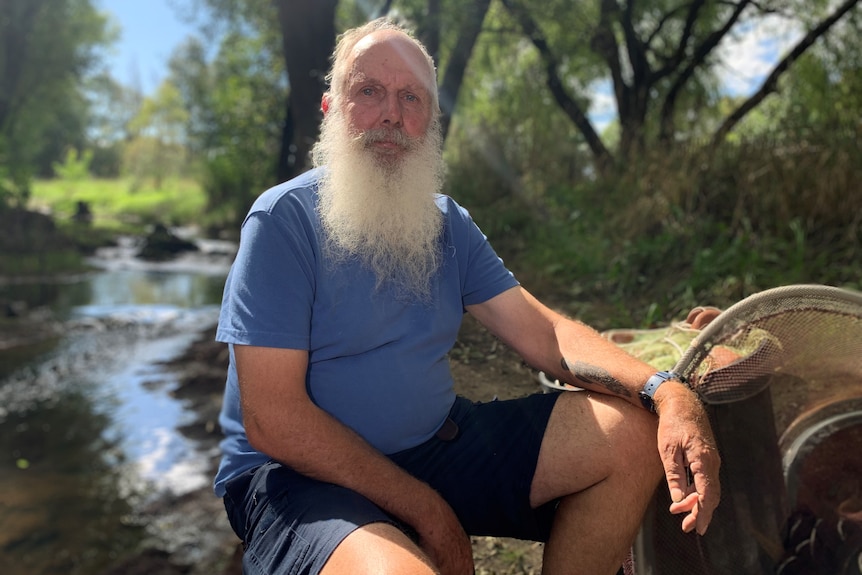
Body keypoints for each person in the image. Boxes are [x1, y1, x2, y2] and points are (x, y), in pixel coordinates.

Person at [213, 17, 721, 575]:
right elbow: (272, 419)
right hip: (297, 474)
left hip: (433, 444)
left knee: (631, 437)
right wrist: (428, 510)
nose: (391, 114)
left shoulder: (446, 223)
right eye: (368, 91)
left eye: (412, 97)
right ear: (330, 108)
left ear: (431, 121)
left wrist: (665, 392)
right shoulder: (283, 220)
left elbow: (544, 333)